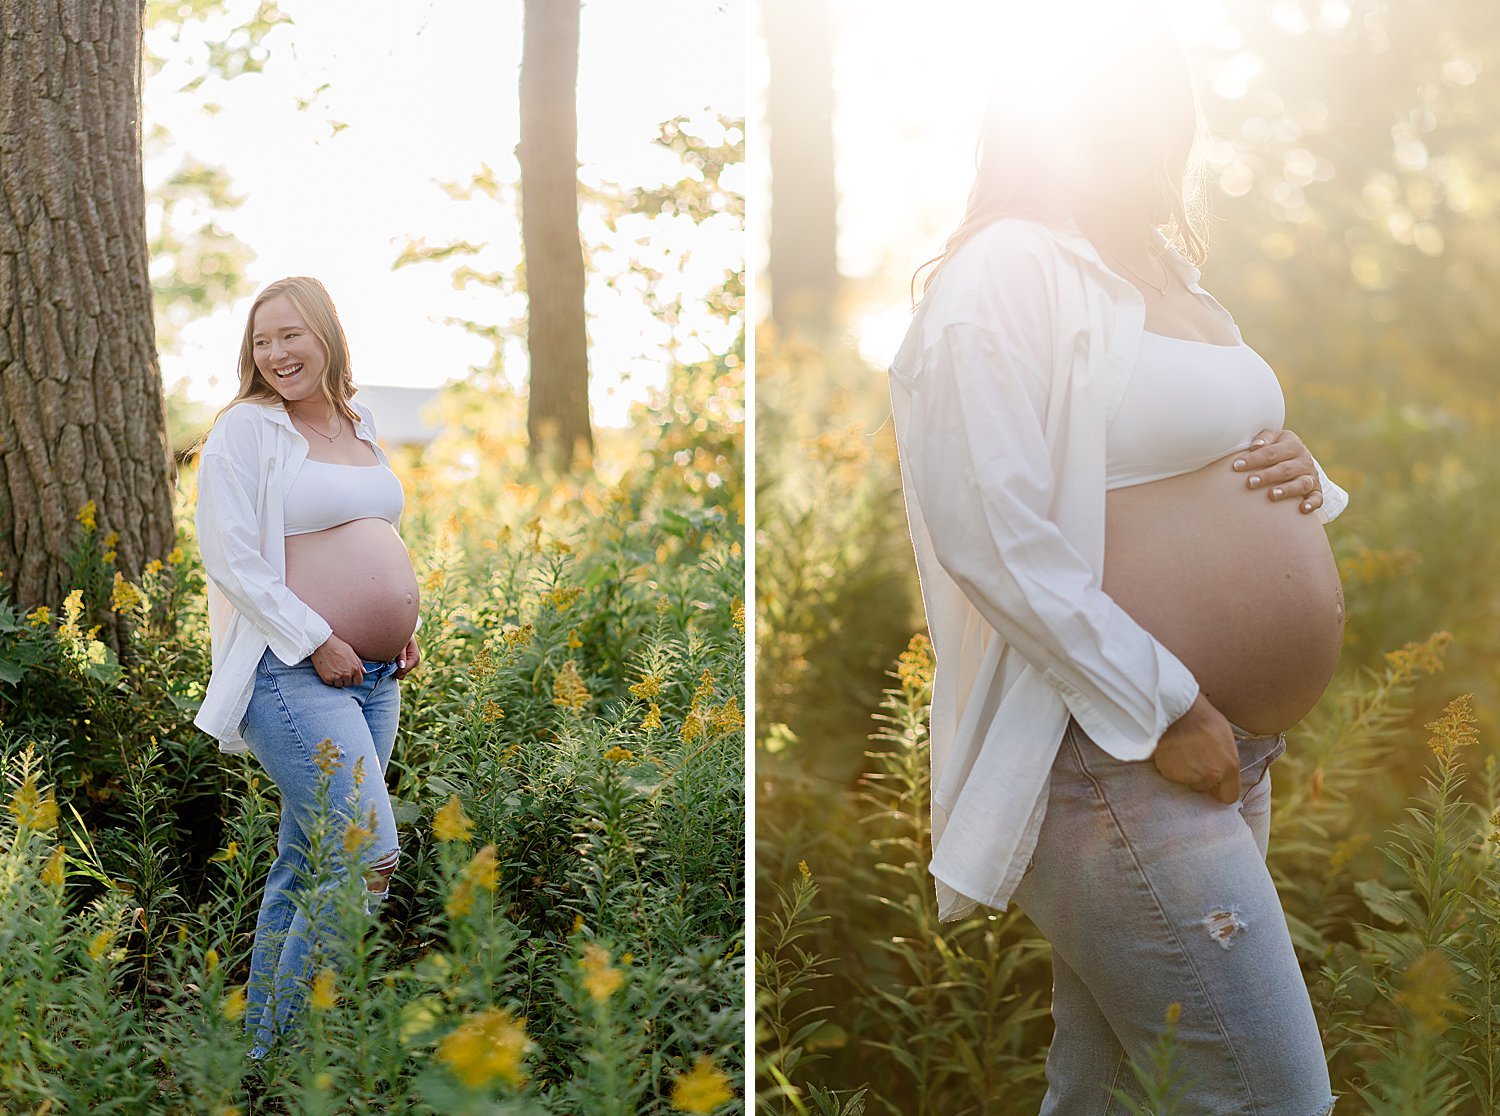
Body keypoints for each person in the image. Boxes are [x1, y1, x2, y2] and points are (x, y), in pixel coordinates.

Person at [888, 7, 1344, 1114]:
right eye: (1106, 99)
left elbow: (1187, 450)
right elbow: (991, 530)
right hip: (1119, 748)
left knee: (1104, 1097)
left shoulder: (1161, 268)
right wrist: (1168, 704)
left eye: (1155, 99)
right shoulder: (1004, 272)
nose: (1135, 124)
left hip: (1222, 744)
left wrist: (1297, 472)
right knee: (1272, 1100)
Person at [192, 276, 423, 1059]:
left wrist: (401, 623)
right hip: (290, 673)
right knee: (367, 856)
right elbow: (229, 556)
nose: (277, 353)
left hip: (375, 678)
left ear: (326, 334)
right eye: (262, 341)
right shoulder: (247, 430)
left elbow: (369, 526)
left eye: (291, 335)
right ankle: (300, 1058)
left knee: (307, 862)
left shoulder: (360, 424)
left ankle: (262, 1061)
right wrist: (318, 635)